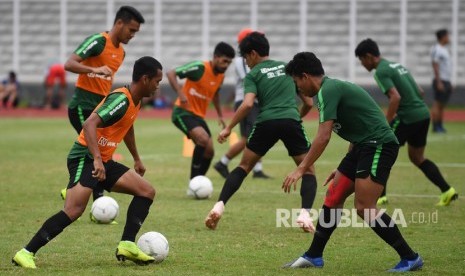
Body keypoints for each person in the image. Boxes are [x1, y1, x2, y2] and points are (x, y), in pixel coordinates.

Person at [12, 56, 163, 269]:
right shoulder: (121, 98)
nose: (158, 86)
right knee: (74, 210)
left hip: (103, 160)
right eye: (157, 81)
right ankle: (26, 252)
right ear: (146, 79)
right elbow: (90, 123)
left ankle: (127, 244)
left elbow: (126, 126)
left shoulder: (135, 102)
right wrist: (98, 161)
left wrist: (137, 158)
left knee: (146, 191)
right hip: (84, 156)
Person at [282, 52, 422, 272]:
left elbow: (323, 136)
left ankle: (410, 257)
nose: (298, 88)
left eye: (297, 82)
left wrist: (301, 168)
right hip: (361, 146)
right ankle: (314, 256)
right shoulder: (327, 91)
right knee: (333, 196)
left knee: (364, 207)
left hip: (379, 145)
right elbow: (356, 128)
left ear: (305, 76)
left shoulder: (327, 91)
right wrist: (342, 167)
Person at [205, 32, 317, 232]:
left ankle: (219, 206)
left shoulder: (253, 74)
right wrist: (295, 118)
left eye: (246, 57)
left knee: (244, 166)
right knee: (307, 169)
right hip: (291, 120)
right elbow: (309, 102)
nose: (246, 63)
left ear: (254, 54)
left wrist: (229, 128)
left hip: (265, 122)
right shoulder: (288, 68)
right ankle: (305, 215)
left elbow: (248, 104)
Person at [355, 38, 458, 206]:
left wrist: (386, 123)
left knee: (381, 148)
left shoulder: (381, 71)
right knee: (417, 157)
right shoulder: (397, 66)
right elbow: (420, 91)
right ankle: (447, 190)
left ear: (368, 56)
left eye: (361, 59)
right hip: (423, 114)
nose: (362, 64)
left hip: (408, 117)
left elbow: (395, 97)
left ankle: (380, 196)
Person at [61, 5, 145, 203]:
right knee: (96, 152)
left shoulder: (121, 53)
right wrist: (97, 69)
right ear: (119, 23)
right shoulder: (98, 41)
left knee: (99, 152)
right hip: (82, 106)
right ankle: (98, 202)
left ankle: (75, 188)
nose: (133, 35)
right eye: (131, 30)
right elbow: (69, 63)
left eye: (136, 32)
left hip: (99, 108)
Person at [168, 41, 235, 183]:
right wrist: (180, 94)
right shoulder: (199, 68)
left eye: (229, 63)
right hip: (182, 112)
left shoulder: (220, 76)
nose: (226, 65)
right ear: (215, 57)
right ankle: (194, 182)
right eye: (224, 61)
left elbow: (216, 94)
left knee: (210, 151)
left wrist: (220, 115)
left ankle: (200, 181)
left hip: (198, 116)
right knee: (203, 139)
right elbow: (171, 73)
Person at [213, 28, 271, 180]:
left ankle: (256, 169)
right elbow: (249, 78)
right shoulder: (241, 60)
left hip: (251, 100)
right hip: (245, 101)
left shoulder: (247, 59)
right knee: (250, 138)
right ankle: (223, 162)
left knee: (255, 135)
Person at [430, 29, 452, 133]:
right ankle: (435, 126)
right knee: (437, 104)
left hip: (445, 80)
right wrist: (439, 81)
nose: (449, 38)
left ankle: (440, 125)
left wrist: (449, 81)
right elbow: (435, 64)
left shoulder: (445, 49)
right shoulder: (437, 49)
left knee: (442, 105)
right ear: (443, 37)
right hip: (440, 80)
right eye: (447, 36)